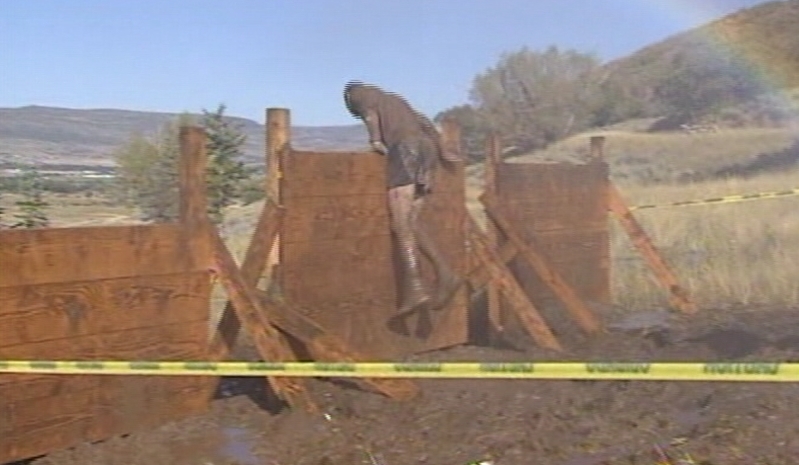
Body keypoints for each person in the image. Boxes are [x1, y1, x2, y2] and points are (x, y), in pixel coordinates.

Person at [343, 80, 462, 317]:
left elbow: (369, 116)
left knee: (400, 223)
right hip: (427, 150)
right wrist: (443, 151)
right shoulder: (396, 100)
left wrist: (375, 140)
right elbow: (426, 123)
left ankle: (415, 288)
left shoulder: (360, 94)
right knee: (412, 222)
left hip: (406, 149)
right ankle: (446, 274)